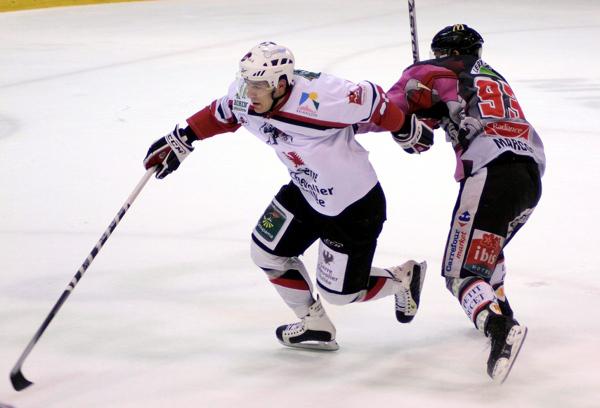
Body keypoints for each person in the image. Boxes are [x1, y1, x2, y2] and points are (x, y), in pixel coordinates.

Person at [143, 41, 428, 351]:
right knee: (266, 251)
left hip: (353, 206)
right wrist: (184, 138)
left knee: (341, 294)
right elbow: (221, 112)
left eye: (259, 86)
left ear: (281, 84)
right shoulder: (245, 95)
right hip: (305, 191)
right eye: (248, 82)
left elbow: (373, 99)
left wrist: (404, 128)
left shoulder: (320, 97)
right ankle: (314, 323)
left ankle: (402, 278)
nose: (250, 92)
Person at [376, 24, 545, 382]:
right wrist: (422, 120)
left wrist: (407, 119)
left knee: (461, 273)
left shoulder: (429, 71)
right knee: (487, 248)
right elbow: (442, 119)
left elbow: (389, 112)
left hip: (490, 174)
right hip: (529, 177)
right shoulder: (492, 78)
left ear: (442, 52)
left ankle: (497, 328)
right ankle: (501, 307)